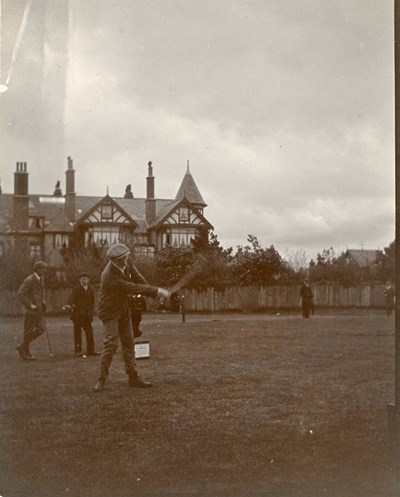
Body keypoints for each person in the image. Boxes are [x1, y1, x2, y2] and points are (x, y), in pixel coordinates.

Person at [92, 243, 170, 392]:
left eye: (127, 257)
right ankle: (101, 379)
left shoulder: (127, 261)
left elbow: (138, 278)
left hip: (123, 308)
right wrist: (157, 291)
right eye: (123, 259)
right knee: (111, 344)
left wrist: (153, 294)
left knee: (128, 343)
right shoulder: (108, 276)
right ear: (115, 261)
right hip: (109, 311)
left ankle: (133, 378)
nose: (127, 260)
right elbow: (131, 287)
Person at [16, 260, 48, 360]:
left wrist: (42, 303)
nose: (45, 271)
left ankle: (22, 346)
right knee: (28, 332)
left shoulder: (40, 279)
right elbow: (21, 294)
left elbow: (38, 294)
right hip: (30, 311)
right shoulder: (30, 280)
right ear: (37, 269)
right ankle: (26, 353)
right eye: (43, 269)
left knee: (40, 329)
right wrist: (30, 305)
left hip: (38, 311)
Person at [66, 272, 100, 357]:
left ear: (88, 280)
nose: (84, 280)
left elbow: (92, 302)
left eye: (86, 278)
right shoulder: (76, 289)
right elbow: (71, 299)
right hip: (77, 315)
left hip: (87, 315)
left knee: (89, 332)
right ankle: (78, 350)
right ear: (80, 280)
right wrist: (69, 305)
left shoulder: (90, 290)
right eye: (82, 279)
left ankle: (91, 350)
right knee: (77, 332)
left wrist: (91, 312)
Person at [125, 256, 149, 339]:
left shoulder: (129, 263)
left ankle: (135, 329)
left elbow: (138, 276)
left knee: (136, 315)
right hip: (121, 296)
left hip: (131, 297)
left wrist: (148, 289)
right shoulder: (113, 268)